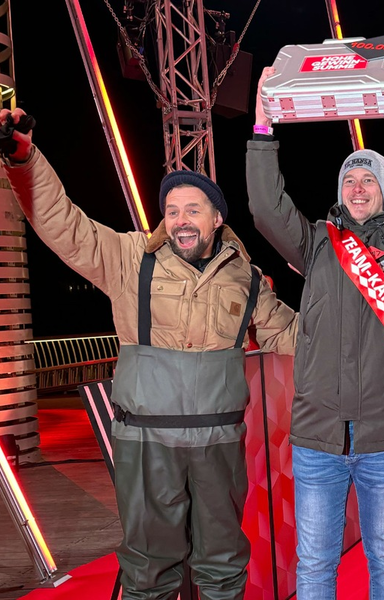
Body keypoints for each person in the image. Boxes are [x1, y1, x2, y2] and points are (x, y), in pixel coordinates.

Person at [0, 107, 298, 599]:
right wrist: (25, 160)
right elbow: (62, 223)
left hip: (218, 445)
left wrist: (363, 333)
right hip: (146, 445)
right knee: (148, 569)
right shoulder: (127, 258)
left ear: (217, 218)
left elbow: (291, 335)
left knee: (222, 565)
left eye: (193, 210)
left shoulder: (244, 277)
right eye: (173, 210)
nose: (181, 221)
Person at [245, 56, 384, 598]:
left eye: (369, 180)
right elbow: (265, 207)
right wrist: (264, 127)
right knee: (314, 565)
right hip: (316, 439)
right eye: (349, 180)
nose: (357, 188)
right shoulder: (317, 245)